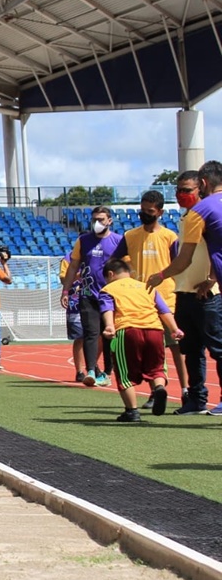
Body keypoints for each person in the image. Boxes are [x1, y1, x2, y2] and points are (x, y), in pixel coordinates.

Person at [146, 161, 222, 414]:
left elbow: (209, 250)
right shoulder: (187, 217)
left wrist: (211, 279)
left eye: (187, 189)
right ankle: (197, 400)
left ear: (201, 186)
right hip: (185, 292)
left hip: (208, 294)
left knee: (218, 349)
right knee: (192, 350)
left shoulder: (204, 213)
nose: (181, 194)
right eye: (178, 189)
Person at [114, 190, 185, 408]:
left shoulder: (170, 237)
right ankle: (156, 391)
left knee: (176, 348)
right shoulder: (130, 236)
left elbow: (179, 264)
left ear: (160, 212)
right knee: (150, 350)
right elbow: (115, 262)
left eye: (150, 211)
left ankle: (185, 391)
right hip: (139, 303)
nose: (145, 214)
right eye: (142, 210)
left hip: (166, 300)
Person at [100, 259, 183, 422]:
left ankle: (132, 411)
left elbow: (107, 308)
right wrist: (174, 329)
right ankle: (158, 387)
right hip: (155, 330)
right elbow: (163, 309)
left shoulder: (108, 289)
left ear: (110, 274)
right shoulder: (147, 287)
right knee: (157, 368)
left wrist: (109, 326)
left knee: (124, 372)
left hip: (128, 330)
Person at [61, 206, 122, 387]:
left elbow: (127, 269)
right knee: (90, 333)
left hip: (111, 297)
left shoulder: (119, 241)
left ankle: (109, 371)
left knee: (110, 334)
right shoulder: (83, 240)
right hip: (87, 294)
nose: (97, 223)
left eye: (101, 219)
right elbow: (73, 267)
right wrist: (66, 290)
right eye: (94, 219)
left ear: (109, 220)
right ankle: (91, 371)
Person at [59, 249, 88, 383]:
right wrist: (77, 275)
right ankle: (80, 371)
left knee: (97, 335)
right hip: (75, 302)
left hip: (94, 299)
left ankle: (95, 368)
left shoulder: (97, 253)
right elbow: (63, 278)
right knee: (80, 337)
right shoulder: (69, 258)